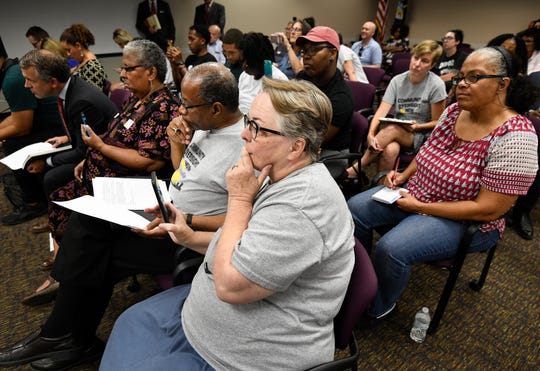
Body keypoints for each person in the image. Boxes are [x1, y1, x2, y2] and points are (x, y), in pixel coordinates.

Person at [0, 61, 244, 371]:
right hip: (165, 208)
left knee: (95, 249)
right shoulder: (205, 126)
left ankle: (62, 338)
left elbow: (241, 220)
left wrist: (186, 221)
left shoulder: (242, 147)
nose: (180, 110)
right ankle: (68, 339)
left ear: (217, 108)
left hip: (187, 239)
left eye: (187, 105)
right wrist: (175, 142)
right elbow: (182, 174)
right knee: (90, 221)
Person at [99, 77, 355, 371]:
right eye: (249, 121)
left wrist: (239, 199)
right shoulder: (275, 173)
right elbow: (244, 244)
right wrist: (189, 236)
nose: (245, 135)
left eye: (257, 128)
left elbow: (230, 287)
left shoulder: (301, 206)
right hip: (204, 322)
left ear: (296, 146)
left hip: (241, 356)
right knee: (131, 322)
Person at [347, 46, 539, 324]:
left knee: (392, 248)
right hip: (418, 195)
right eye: (461, 77)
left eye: (474, 77)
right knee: (355, 209)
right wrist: (403, 176)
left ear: (502, 84)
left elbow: (487, 210)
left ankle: (379, 306)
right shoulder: (453, 113)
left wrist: (422, 206)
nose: (461, 84)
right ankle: (361, 282)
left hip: (465, 219)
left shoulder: (516, 137)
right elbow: (428, 153)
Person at [18, 39, 179, 307]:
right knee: (60, 195)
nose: (123, 75)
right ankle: (68, 270)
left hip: (127, 184)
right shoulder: (137, 100)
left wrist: (100, 147)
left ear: (151, 72)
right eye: (122, 69)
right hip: (104, 174)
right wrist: (94, 154)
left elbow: (148, 161)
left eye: (129, 69)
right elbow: (115, 134)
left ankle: (70, 276)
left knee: (73, 211)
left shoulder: (162, 107)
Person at [18, 49, 118, 257]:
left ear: (53, 81)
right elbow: (82, 135)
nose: (27, 86)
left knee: (52, 176)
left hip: (111, 162)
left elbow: (84, 151)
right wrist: (67, 138)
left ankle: (63, 243)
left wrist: (47, 162)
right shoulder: (71, 89)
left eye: (30, 80)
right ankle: (59, 222)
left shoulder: (81, 101)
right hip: (92, 149)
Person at [349, 40, 447, 175]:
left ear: (432, 65)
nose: (417, 64)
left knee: (392, 129)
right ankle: (380, 187)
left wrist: (417, 127)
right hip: (399, 128)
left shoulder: (436, 85)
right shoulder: (397, 80)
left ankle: (357, 168)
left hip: (420, 134)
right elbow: (381, 111)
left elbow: (438, 122)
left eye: (424, 61)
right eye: (416, 58)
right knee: (390, 150)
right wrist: (371, 135)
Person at [0, 37, 65, 226]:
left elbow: (22, 127)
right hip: (51, 125)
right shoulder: (12, 72)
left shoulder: (12, 79)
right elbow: (16, 115)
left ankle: (34, 202)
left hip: (58, 130)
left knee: (13, 144)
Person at [295, 26, 354, 178]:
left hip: (330, 153)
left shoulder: (341, 96)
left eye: (314, 49)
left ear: (332, 53)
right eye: (304, 51)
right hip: (299, 141)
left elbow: (315, 139)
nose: (306, 56)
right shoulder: (304, 78)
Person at [237, 32, 287, 114]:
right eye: (242, 61)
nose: (244, 66)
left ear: (258, 59)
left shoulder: (279, 80)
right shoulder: (244, 76)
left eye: (248, 61)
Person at [60, 24, 108, 92]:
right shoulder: (83, 63)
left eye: (68, 50)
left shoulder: (92, 66)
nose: (68, 54)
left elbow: (93, 98)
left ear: (78, 46)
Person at [167, 24, 216, 90]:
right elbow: (179, 84)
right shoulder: (190, 58)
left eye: (192, 39)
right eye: (188, 39)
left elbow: (195, 85)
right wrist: (173, 64)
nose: (189, 43)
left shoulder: (210, 61)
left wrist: (181, 64)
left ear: (202, 41)